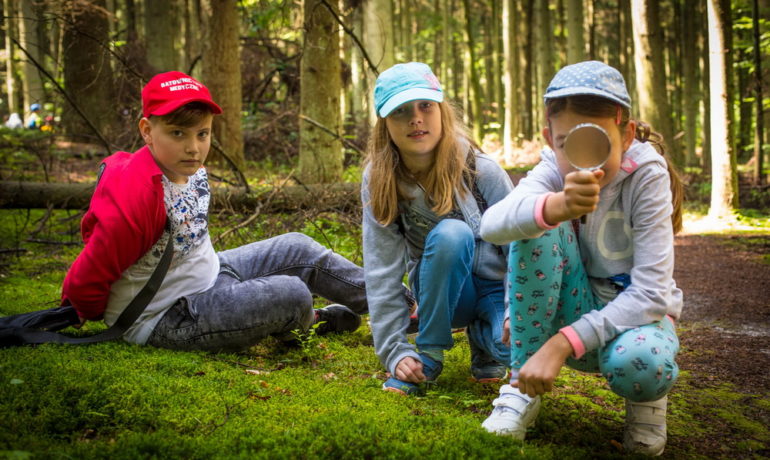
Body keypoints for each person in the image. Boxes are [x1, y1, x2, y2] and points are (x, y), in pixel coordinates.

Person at [61, 71, 391, 352]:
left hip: (213, 275)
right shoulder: (137, 201)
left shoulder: (189, 168)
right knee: (292, 293)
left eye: (202, 134)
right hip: (166, 317)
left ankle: (403, 309)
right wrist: (80, 313)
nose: (193, 147)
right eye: (178, 133)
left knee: (298, 246)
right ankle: (309, 320)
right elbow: (85, 281)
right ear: (147, 130)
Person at [479, 61, 683, 456]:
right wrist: (552, 207)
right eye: (566, 143)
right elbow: (491, 225)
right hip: (568, 306)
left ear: (625, 134)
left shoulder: (647, 176)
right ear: (550, 138)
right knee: (534, 221)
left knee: (643, 362)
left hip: (634, 325)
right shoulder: (551, 173)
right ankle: (521, 385)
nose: (581, 159)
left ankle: (645, 402)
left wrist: (560, 344)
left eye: (598, 142)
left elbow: (653, 294)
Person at [362, 62, 513, 396]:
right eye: (400, 111)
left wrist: (515, 315)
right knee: (452, 233)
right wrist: (393, 350)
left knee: (517, 354)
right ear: (385, 124)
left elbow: (522, 249)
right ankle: (428, 355)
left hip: (495, 289)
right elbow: (380, 268)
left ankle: (487, 342)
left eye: (425, 106)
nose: (416, 118)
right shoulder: (381, 179)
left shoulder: (481, 170)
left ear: (442, 110)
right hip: (442, 294)